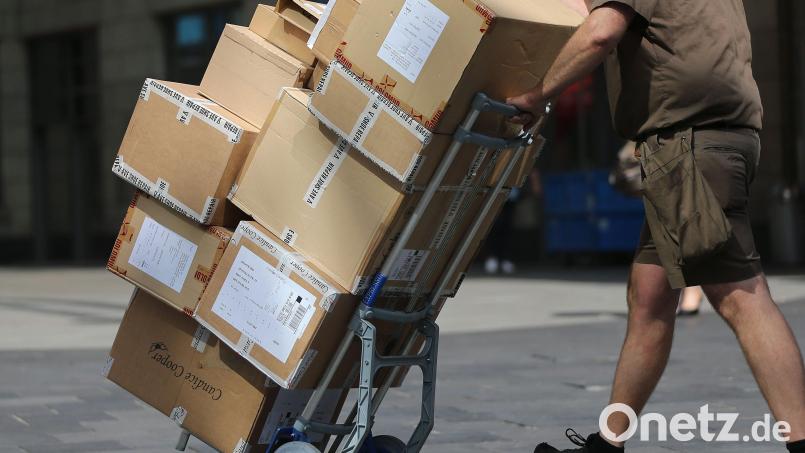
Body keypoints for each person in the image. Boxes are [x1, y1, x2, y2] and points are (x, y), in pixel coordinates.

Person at [507, 1, 805, 452]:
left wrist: (538, 92)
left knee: (743, 298)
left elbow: (600, 33)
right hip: (714, 141)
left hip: (690, 147)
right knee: (649, 300)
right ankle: (607, 445)